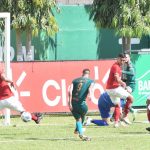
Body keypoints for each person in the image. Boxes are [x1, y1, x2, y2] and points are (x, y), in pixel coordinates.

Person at [106, 53, 134, 127]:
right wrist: (123, 84)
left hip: (109, 90)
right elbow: (117, 79)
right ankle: (124, 116)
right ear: (118, 59)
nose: (122, 62)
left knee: (117, 105)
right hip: (114, 88)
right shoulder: (116, 66)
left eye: (124, 61)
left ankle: (116, 123)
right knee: (131, 98)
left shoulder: (117, 66)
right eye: (121, 60)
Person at [68, 68, 94, 141]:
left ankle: (77, 130)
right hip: (81, 104)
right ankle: (81, 134)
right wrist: (90, 95)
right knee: (82, 116)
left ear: (82, 73)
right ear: (88, 74)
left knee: (78, 118)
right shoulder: (91, 81)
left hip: (73, 102)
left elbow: (70, 91)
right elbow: (90, 89)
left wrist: (69, 103)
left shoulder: (75, 80)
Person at [121, 52, 137, 121]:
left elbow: (132, 73)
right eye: (124, 57)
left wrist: (122, 71)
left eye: (126, 57)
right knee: (126, 99)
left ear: (129, 58)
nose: (125, 59)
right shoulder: (127, 65)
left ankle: (125, 115)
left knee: (124, 97)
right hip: (128, 84)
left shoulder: (130, 65)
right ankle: (132, 110)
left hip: (131, 85)